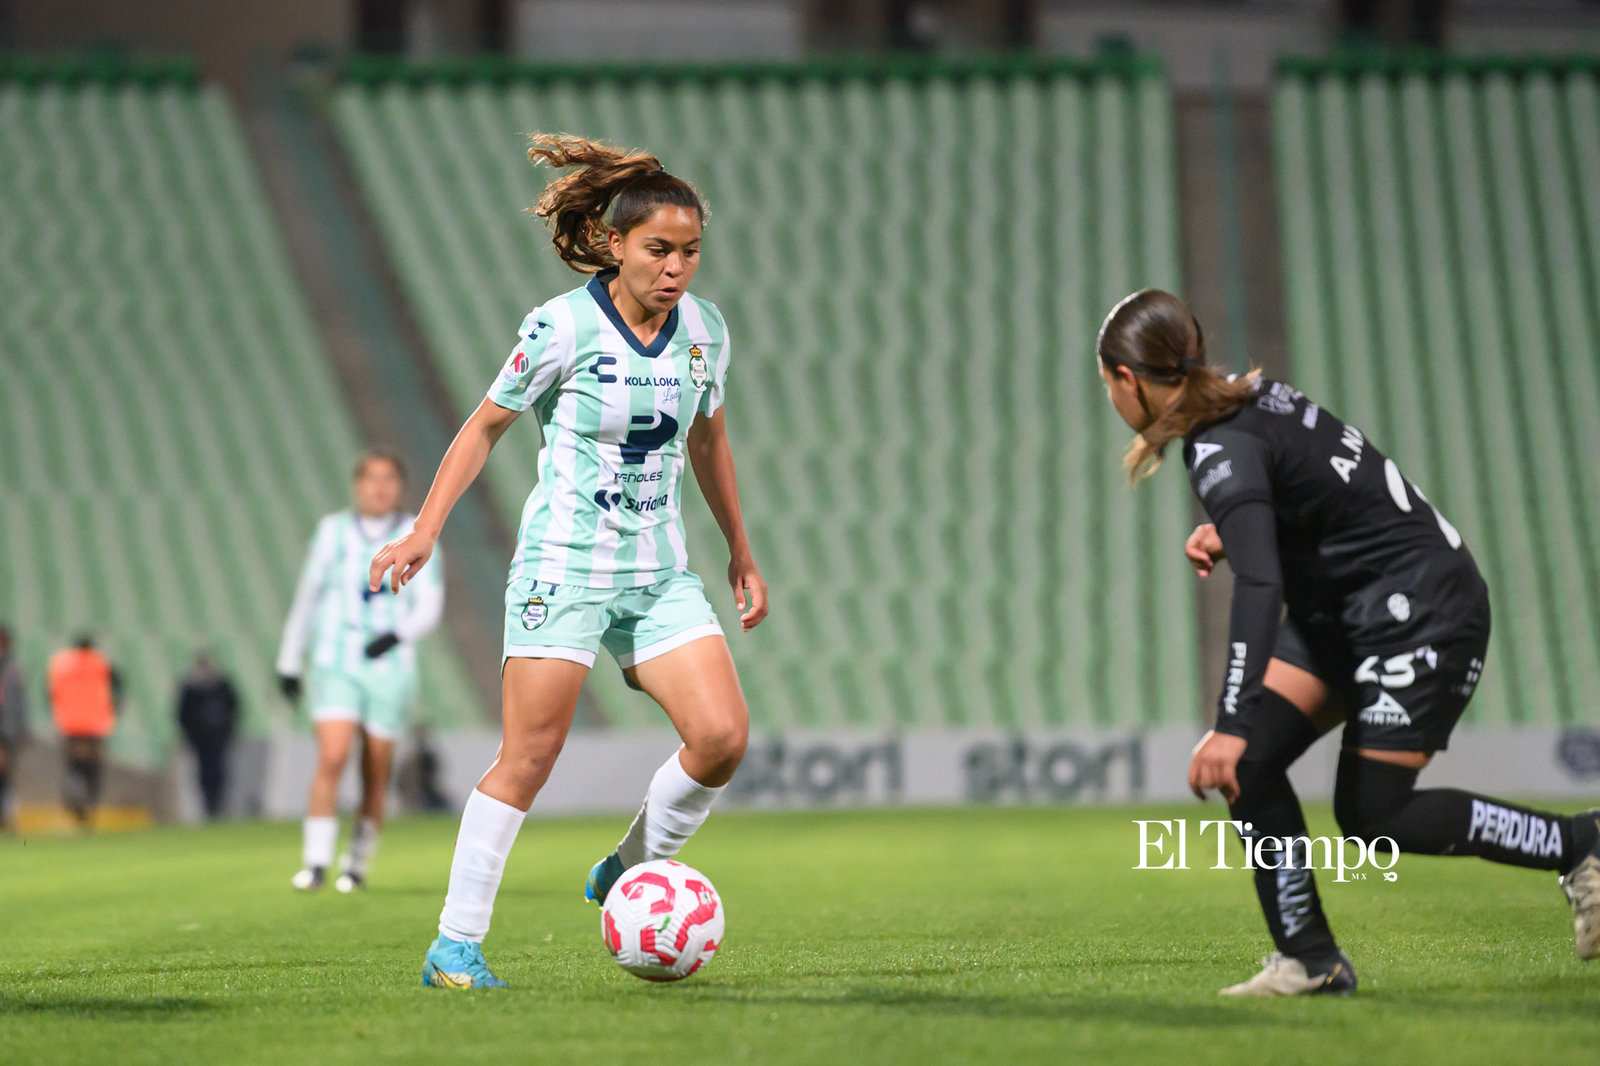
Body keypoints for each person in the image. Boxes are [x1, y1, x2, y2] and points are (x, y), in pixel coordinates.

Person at [1095, 288, 1600, 996]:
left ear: (1126, 379)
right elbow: (1325, 506)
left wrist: (1230, 723)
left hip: (1420, 612)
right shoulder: (1251, 401)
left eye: (1108, 387)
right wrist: (1240, 533)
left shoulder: (1218, 447)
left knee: (1372, 812)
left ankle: (1580, 843)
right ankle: (1312, 961)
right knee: (1257, 766)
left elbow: (1262, 587)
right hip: (1356, 608)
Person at [369, 134, 767, 990]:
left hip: (660, 574)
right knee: (530, 756)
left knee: (722, 740)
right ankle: (455, 946)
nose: (677, 269)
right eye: (659, 250)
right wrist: (424, 530)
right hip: (565, 570)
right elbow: (483, 427)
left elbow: (709, 439)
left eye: (690, 252)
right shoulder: (560, 326)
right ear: (615, 243)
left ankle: (627, 867)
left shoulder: (706, 330)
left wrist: (740, 547)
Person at [277, 450, 445, 893]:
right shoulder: (332, 532)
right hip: (336, 658)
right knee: (332, 756)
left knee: (375, 768)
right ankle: (315, 862)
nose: (380, 487)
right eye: (371, 478)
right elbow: (308, 596)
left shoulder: (418, 533)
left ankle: (356, 862)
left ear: (401, 485)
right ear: (357, 485)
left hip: (390, 667)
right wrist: (290, 660)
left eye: (389, 478)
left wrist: (398, 635)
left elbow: (430, 603)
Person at [47, 635, 118, 827]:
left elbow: (49, 691)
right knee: (93, 768)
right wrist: (113, 709)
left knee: (74, 765)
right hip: (95, 724)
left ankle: (73, 790)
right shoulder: (100, 662)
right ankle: (90, 804)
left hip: (70, 724)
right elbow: (117, 687)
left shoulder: (61, 664)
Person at [175, 651, 240, 819]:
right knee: (204, 774)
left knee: (218, 772)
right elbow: (183, 715)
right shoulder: (191, 689)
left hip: (219, 739)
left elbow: (234, 709)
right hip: (200, 740)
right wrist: (190, 735)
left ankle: (217, 807)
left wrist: (229, 731)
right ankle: (209, 807)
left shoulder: (222, 686)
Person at [0, 624, 30, 829]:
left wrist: (15, 732)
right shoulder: (12, 671)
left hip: (4, 733)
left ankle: (6, 817)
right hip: (7, 732)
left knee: (4, 776)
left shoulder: (11, 671)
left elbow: (17, 705)